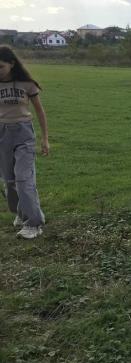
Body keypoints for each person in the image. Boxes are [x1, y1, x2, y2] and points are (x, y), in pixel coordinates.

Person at [0, 46, 49, 239]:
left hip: (23, 134)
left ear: (12, 64)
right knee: (10, 182)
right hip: (2, 135)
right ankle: (21, 213)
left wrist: (45, 139)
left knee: (23, 179)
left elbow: (40, 112)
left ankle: (34, 224)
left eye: (1, 67)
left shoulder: (26, 84)